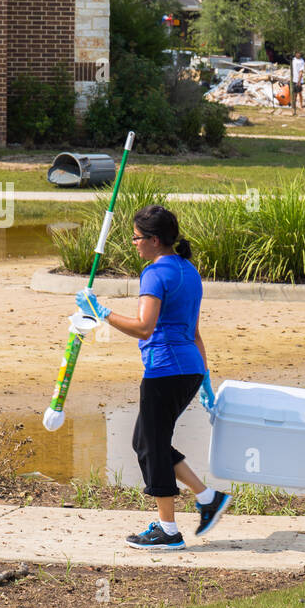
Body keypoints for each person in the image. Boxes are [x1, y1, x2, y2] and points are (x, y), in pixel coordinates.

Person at [76, 204, 231, 549]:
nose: (134, 243)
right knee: (146, 442)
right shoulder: (188, 270)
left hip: (166, 370)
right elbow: (194, 330)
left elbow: (145, 328)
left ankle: (168, 530)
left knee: (152, 446)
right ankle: (207, 498)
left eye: (137, 238)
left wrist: (100, 312)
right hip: (187, 369)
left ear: (154, 240)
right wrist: (204, 377)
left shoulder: (155, 274)